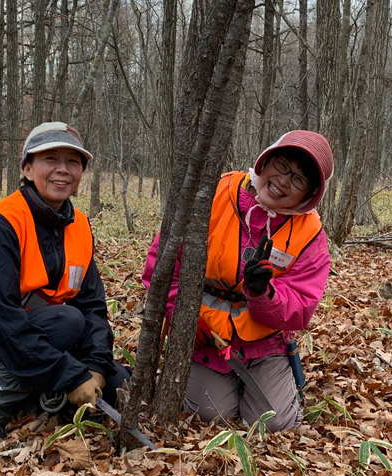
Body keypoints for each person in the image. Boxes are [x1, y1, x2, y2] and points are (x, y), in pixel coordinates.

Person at [0, 122, 130, 439]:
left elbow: (93, 306)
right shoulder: (3, 223)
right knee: (66, 322)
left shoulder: (79, 226)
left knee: (115, 385)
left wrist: (96, 367)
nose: (62, 170)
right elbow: (1, 319)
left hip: (29, 333)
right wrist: (69, 375)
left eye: (72, 162)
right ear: (28, 168)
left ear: (81, 173)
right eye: (50, 159)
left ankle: (40, 399)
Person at [142, 130, 333, 432]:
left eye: (298, 179)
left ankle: (272, 386)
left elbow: (300, 307)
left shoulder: (310, 234)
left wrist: (262, 293)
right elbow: (161, 268)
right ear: (265, 160)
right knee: (210, 415)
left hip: (264, 345)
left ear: (309, 194)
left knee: (273, 424)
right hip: (204, 338)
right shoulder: (216, 193)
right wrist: (186, 320)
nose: (284, 180)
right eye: (282, 165)